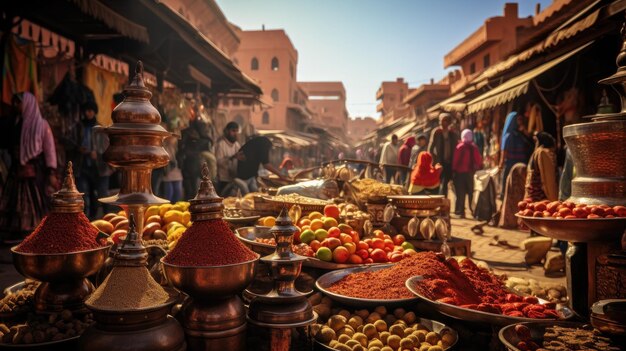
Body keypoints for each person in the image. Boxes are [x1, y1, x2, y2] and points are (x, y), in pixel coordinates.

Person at [0, 92, 58, 242]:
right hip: (16, 168)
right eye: (15, 103)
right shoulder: (14, 122)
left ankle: (35, 232)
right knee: (14, 200)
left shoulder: (41, 125)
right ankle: (16, 232)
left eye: (18, 103)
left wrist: (51, 170)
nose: (16, 106)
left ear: (27, 103)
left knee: (35, 201)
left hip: (35, 170)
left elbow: (49, 149)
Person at [65, 101, 110, 219]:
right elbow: (68, 142)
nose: (88, 113)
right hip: (82, 166)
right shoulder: (77, 127)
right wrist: (78, 149)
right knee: (84, 196)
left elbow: (107, 148)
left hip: (99, 168)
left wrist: (98, 154)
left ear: (94, 112)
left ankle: (107, 219)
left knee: (103, 195)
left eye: (90, 111)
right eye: (86, 111)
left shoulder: (101, 129)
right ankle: (86, 222)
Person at [499, 111, 533, 199]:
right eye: (518, 120)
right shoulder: (509, 136)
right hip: (511, 167)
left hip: (520, 167)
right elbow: (504, 154)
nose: (520, 122)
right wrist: (501, 165)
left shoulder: (520, 135)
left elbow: (531, 140)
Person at [452, 129, 483, 218]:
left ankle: (460, 211)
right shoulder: (474, 147)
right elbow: (478, 161)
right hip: (471, 173)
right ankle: (473, 211)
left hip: (460, 174)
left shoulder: (459, 147)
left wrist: (453, 170)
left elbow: (455, 160)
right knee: (471, 193)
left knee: (460, 193)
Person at [428, 113, 459, 196]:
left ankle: (453, 204)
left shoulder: (452, 133)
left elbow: (456, 147)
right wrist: (433, 160)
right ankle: (440, 200)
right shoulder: (436, 132)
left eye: (446, 120)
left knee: (451, 183)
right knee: (440, 183)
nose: (444, 122)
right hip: (440, 162)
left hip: (450, 162)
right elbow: (430, 148)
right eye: (442, 120)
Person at [525, 132, 558, 202]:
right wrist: (555, 203)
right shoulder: (543, 153)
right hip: (540, 204)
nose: (553, 155)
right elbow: (549, 184)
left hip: (530, 202)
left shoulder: (534, 154)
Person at [214, 121, 240, 196]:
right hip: (223, 180)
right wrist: (232, 157)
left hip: (234, 179)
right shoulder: (221, 144)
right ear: (227, 131)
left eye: (237, 131)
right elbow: (218, 162)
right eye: (233, 131)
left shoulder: (236, 145)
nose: (235, 133)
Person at [498, 163, 527, 229]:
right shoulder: (514, 177)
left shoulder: (521, 176)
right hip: (514, 184)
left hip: (518, 183)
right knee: (510, 204)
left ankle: (514, 222)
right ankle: (509, 223)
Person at [162, 135, 183, 202]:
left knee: (177, 192)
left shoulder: (178, 147)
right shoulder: (165, 146)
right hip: (168, 170)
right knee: (169, 193)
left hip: (177, 170)